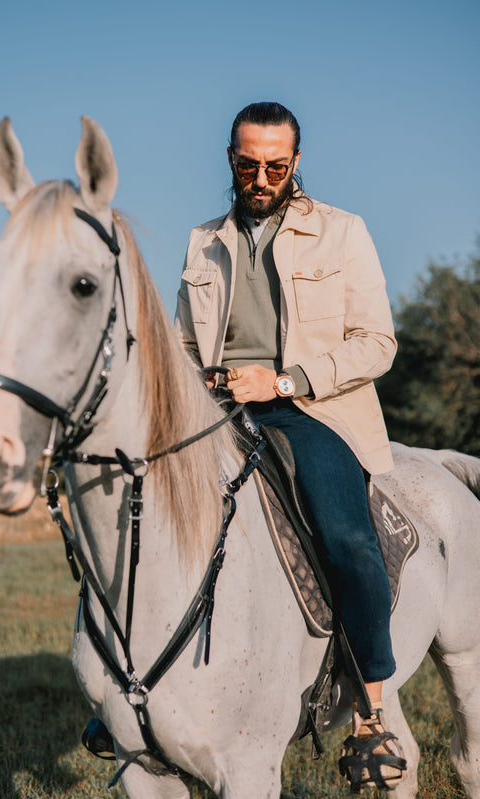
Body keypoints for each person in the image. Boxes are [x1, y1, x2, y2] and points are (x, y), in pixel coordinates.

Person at [175, 101, 406, 791]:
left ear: (296, 161)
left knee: (348, 542)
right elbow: (182, 343)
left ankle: (372, 712)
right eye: (249, 164)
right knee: (140, 507)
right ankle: (126, 691)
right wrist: (199, 379)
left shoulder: (342, 232)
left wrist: (281, 377)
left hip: (313, 411)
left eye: (276, 164)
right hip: (213, 410)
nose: (262, 175)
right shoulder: (201, 240)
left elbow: (377, 342)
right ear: (229, 160)